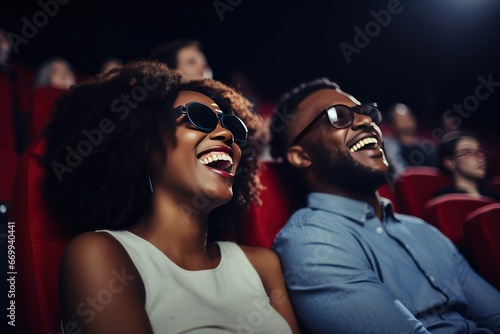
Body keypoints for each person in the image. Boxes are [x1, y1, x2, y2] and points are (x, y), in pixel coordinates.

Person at [41, 60, 299, 333]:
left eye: (232, 127)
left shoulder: (263, 265)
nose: (226, 134)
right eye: (198, 117)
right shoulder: (100, 254)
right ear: (143, 144)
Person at [269, 78, 500, 333]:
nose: (367, 121)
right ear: (302, 156)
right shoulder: (312, 240)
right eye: (338, 116)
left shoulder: (423, 229)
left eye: (366, 112)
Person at [433, 131, 500, 201]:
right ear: (450, 162)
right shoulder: (444, 200)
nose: (480, 157)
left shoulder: (494, 197)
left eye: (480, 151)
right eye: (468, 152)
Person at [383, 103, 438, 177]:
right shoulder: (389, 147)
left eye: (410, 117)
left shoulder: (427, 146)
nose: (408, 121)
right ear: (392, 125)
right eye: (402, 119)